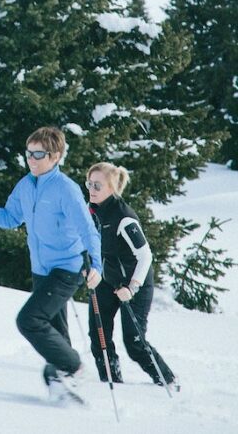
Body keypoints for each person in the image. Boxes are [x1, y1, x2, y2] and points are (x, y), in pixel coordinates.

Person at [0, 126, 102, 403]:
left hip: (67, 269)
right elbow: (10, 218)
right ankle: (63, 386)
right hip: (41, 269)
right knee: (56, 333)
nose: (32, 159)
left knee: (30, 320)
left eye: (39, 154)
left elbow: (88, 229)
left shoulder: (66, 189)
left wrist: (97, 264)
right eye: (28, 153)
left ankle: (76, 367)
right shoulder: (26, 185)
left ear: (56, 155)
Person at [85, 162, 177, 389]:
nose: (92, 189)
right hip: (106, 280)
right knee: (99, 337)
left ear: (111, 187)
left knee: (134, 342)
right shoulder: (92, 211)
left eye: (97, 185)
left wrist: (132, 287)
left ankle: (168, 381)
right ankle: (110, 381)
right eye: (89, 183)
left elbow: (145, 256)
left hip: (135, 283)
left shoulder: (124, 217)